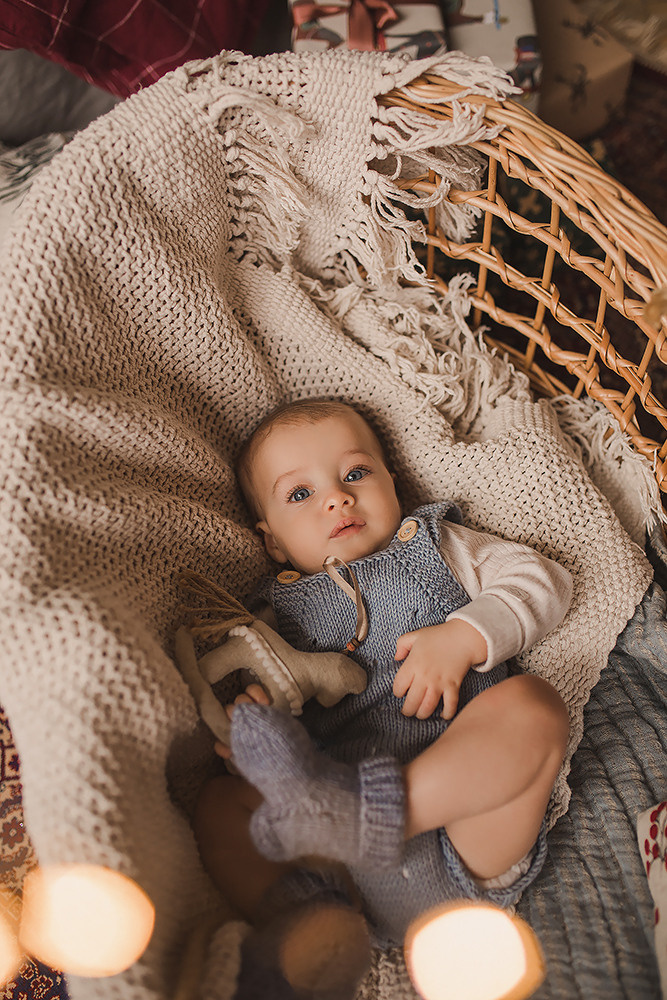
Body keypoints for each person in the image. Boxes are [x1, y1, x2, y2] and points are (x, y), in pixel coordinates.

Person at [193, 398, 572, 998]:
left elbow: (544, 582)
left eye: (355, 474)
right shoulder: (274, 620)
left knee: (534, 708)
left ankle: (371, 816)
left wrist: (464, 637)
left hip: (460, 843)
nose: (337, 498)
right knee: (219, 804)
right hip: (343, 883)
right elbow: (269, 711)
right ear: (271, 542)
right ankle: (301, 925)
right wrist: (257, 741)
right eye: (299, 495)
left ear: (392, 483)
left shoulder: (434, 550)